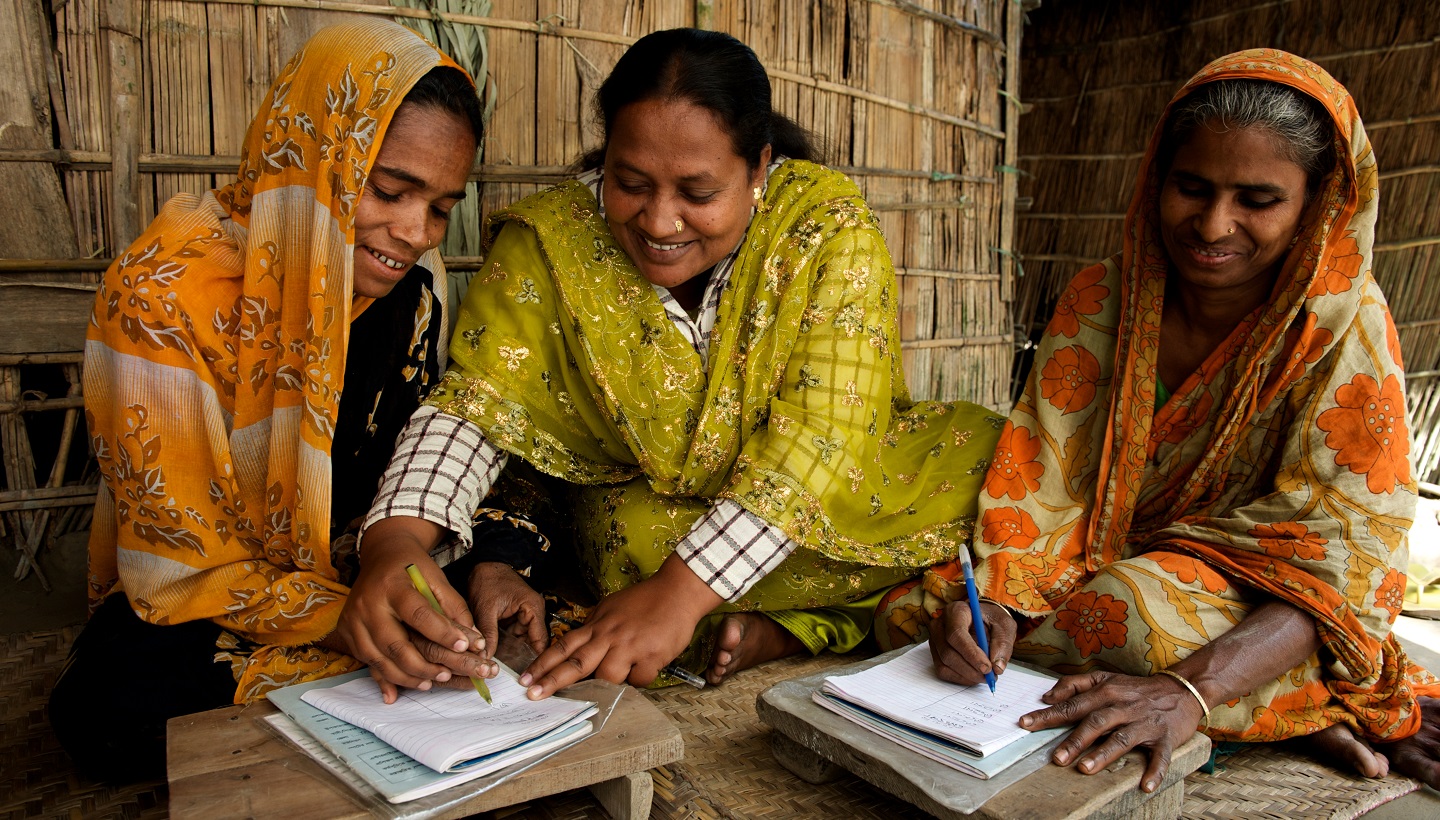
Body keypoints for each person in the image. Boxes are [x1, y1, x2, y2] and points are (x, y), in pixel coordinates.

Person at [338, 27, 1006, 701]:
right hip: (658, 519)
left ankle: (784, 620)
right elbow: (478, 404)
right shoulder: (553, 240)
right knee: (630, 543)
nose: (659, 222)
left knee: (988, 473)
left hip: (836, 488)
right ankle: (819, 616)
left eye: (698, 192)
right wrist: (394, 542)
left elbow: (822, 437)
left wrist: (683, 594)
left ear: (759, 168)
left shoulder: (826, 228)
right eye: (629, 184)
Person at [892, 48, 1440, 791]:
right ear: (1158, 177)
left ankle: (1273, 700)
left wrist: (1188, 690)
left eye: (1258, 199)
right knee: (922, 611)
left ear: (1317, 201)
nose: (1214, 224)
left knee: (1130, 617)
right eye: (1192, 187)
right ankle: (1290, 708)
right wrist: (997, 601)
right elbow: (1043, 477)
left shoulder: (1343, 327)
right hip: (1085, 562)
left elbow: (1338, 560)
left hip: (1247, 598)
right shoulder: (1100, 297)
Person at [48, 20, 489, 782]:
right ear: (316, 158)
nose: (415, 232)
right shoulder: (163, 296)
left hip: (352, 564)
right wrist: (339, 620)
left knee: (495, 605)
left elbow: (396, 480)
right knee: (107, 706)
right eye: (388, 191)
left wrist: (398, 577)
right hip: (211, 596)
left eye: (442, 207)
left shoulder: (406, 293)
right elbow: (182, 563)